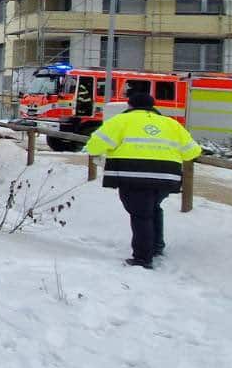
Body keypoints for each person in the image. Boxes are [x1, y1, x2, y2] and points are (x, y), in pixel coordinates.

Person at [85, 90, 202, 268]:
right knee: (153, 208)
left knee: (141, 215)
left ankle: (142, 258)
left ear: (130, 105)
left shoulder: (120, 121)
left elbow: (94, 146)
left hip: (133, 175)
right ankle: (156, 246)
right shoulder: (171, 123)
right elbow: (193, 151)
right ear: (152, 106)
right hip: (166, 177)